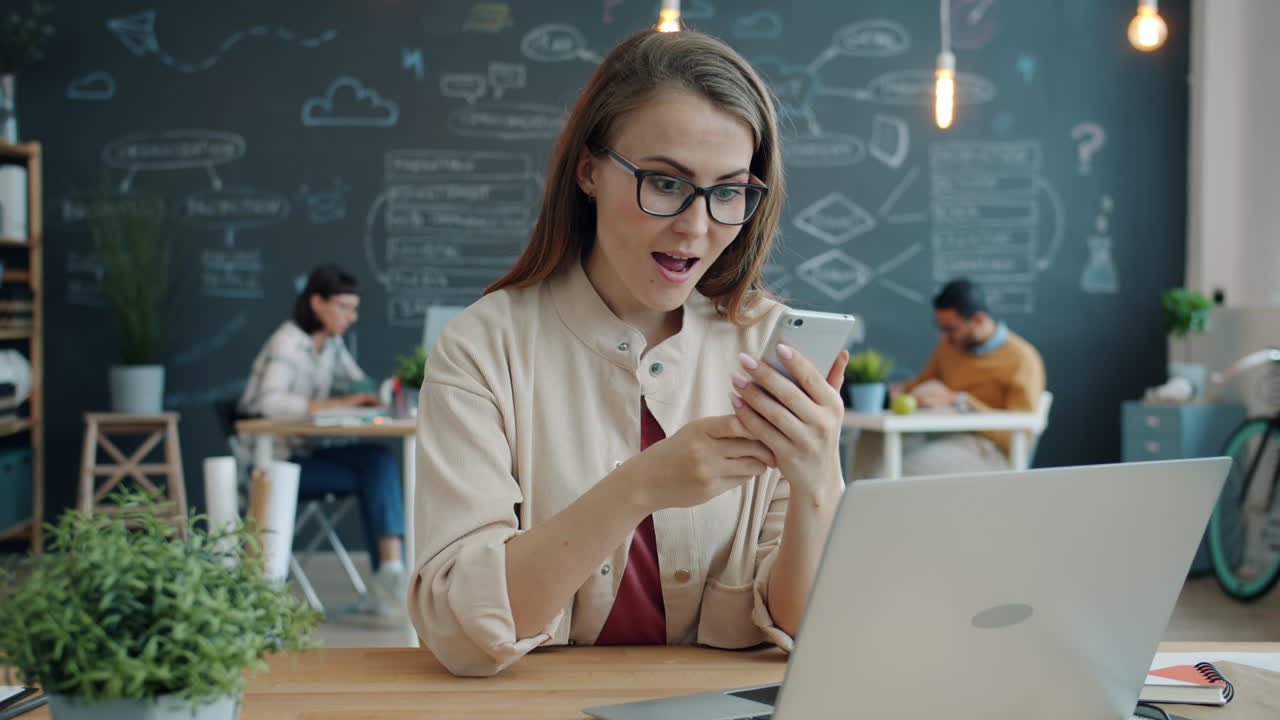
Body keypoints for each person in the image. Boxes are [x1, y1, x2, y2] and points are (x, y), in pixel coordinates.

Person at [409, 28, 849, 677]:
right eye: (665, 183)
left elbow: (807, 633)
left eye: (729, 191)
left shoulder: (770, 344)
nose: (696, 228)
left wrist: (817, 480)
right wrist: (637, 487)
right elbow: (459, 635)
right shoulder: (483, 346)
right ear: (588, 170)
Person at [238, 263, 407, 614]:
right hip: (275, 466)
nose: (352, 317)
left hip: (306, 456)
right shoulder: (288, 342)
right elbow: (268, 403)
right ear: (317, 303)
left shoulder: (330, 345)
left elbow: (357, 384)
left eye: (354, 309)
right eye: (344, 307)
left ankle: (391, 568)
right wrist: (339, 402)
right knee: (374, 472)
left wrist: (387, 389)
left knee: (378, 459)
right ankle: (389, 579)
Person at [851, 278, 1046, 479]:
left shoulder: (1022, 359)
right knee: (873, 439)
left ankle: (881, 504)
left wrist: (961, 401)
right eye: (940, 328)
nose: (943, 337)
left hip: (988, 450)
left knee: (906, 467)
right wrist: (895, 391)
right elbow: (920, 384)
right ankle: (856, 507)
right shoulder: (949, 347)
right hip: (940, 435)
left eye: (951, 329)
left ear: (979, 319)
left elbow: (1021, 435)